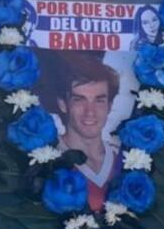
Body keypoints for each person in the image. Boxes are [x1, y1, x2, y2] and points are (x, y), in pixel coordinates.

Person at [49, 52, 122, 212]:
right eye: (79, 99)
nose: (90, 112)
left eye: (99, 100)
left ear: (109, 106)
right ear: (63, 104)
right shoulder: (46, 160)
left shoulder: (124, 158)